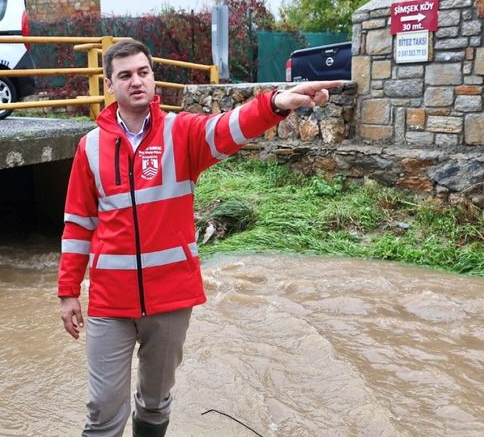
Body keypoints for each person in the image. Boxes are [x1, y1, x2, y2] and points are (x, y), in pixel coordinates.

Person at [58, 39, 341, 437]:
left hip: (170, 298)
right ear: (109, 84)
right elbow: (78, 225)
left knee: (155, 404)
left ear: (153, 77)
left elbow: (228, 127)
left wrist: (277, 103)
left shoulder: (182, 133)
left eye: (143, 72)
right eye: (125, 75)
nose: (136, 82)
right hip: (110, 302)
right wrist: (68, 291)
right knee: (103, 409)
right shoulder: (89, 148)